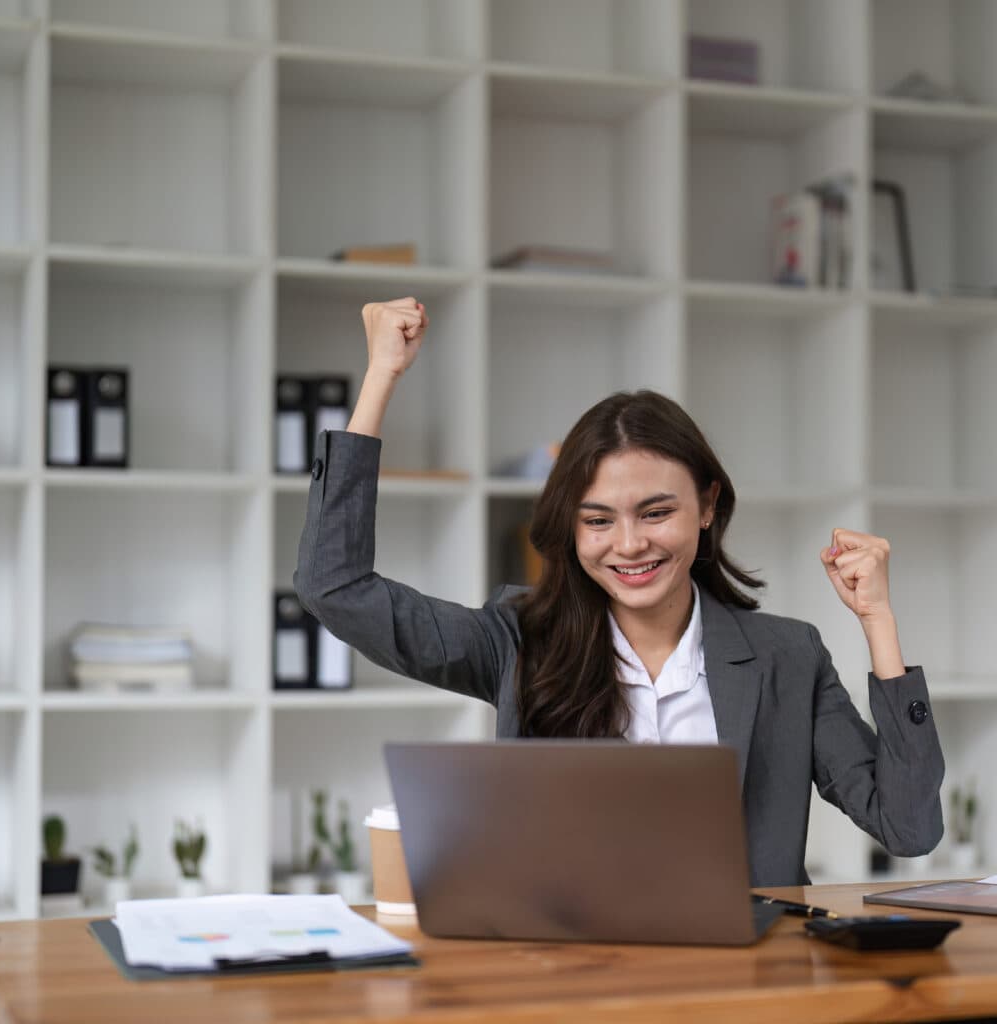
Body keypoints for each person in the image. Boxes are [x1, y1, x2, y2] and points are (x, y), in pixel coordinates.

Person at [295, 297, 944, 886]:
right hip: (573, 986)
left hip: (742, 985)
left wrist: (877, 620)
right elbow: (336, 588)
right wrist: (381, 376)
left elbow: (908, 828)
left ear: (707, 505)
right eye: (598, 520)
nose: (629, 545)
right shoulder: (519, 641)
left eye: (656, 512)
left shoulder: (787, 656)